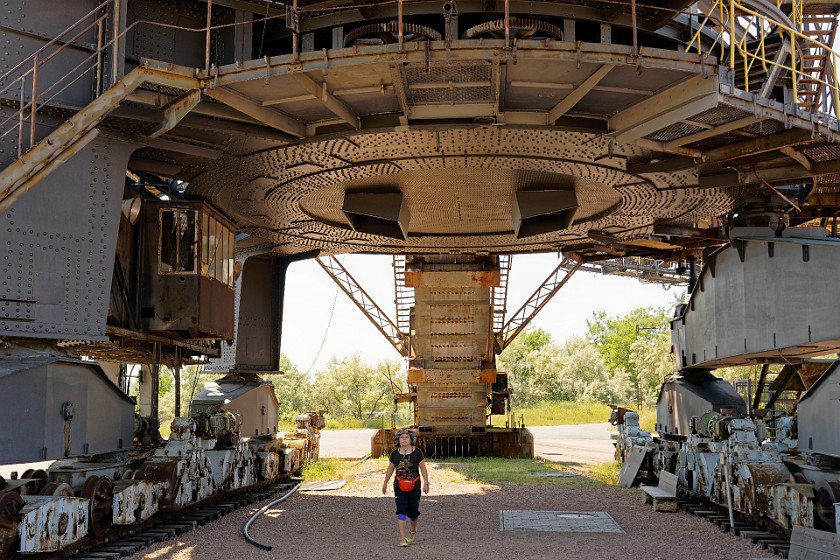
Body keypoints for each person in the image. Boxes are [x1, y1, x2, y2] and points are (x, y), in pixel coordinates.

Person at [382, 428, 429, 547]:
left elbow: (423, 467)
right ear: (398, 440)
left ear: (411, 439)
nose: (404, 439)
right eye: (402, 437)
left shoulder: (417, 452)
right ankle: (402, 538)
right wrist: (385, 483)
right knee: (401, 510)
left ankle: (413, 531)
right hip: (399, 486)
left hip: (415, 486)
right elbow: (390, 469)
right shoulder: (395, 454)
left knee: (413, 512)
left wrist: (426, 483)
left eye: (406, 437)